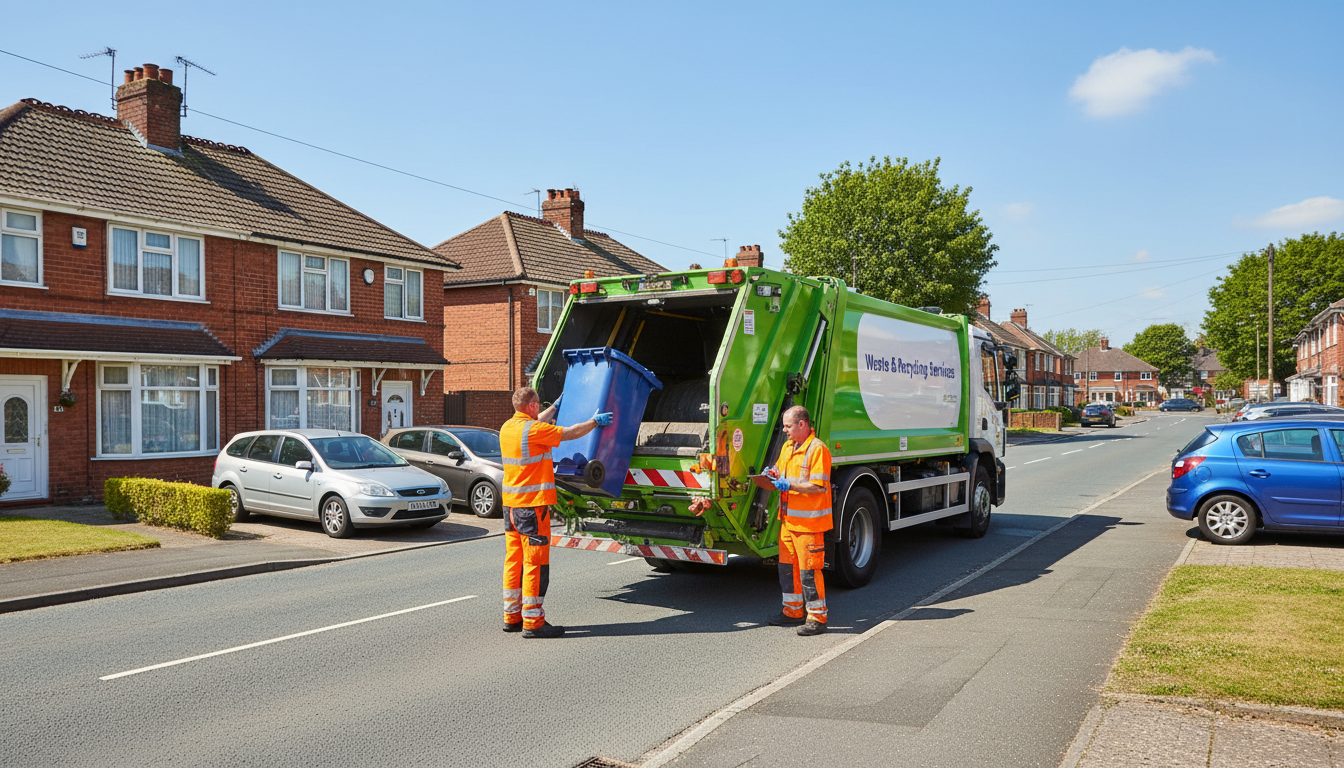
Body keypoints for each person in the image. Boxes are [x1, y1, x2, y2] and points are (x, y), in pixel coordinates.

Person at [500, 387, 611, 639]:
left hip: (511, 507)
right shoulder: (535, 430)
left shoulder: (508, 427)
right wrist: (595, 422)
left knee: (514, 561)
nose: (539, 407)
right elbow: (570, 433)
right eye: (538, 403)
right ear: (531, 406)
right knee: (535, 564)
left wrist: (554, 407)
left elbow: (533, 424)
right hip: (532, 508)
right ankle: (533, 622)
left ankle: (512, 616)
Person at [763, 405, 833, 636]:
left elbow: (818, 486)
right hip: (788, 521)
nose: (784, 430)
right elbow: (780, 470)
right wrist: (773, 474)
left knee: (809, 571)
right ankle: (792, 612)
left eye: (788, 426)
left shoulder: (818, 449)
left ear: (801, 424)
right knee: (787, 568)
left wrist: (789, 484)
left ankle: (817, 618)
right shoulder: (788, 447)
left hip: (809, 524)